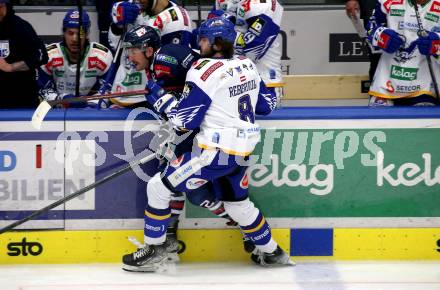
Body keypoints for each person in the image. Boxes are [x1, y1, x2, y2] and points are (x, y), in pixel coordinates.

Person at [122, 18, 293, 272]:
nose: (197, 43)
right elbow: (267, 105)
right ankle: (273, 253)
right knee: (238, 205)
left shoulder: (203, 70)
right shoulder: (246, 64)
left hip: (213, 153)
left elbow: (184, 122)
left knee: (158, 187)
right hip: (242, 152)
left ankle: (154, 249)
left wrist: (162, 99)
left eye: (202, 39)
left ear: (215, 42)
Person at [121, 24, 248, 260]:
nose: (130, 56)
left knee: (193, 191)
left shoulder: (166, 58)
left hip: (201, 134)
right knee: (179, 186)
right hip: (188, 132)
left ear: (148, 50)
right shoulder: (157, 64)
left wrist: (168, 102)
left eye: (133, 50)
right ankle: (169, 234)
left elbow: (200, 80)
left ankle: (242, 227)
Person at [107, 0, 193, 107]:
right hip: (120, 93)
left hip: (149, 98)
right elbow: (115, 45)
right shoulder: (130, 6)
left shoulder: (175, 18)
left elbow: (174, 67)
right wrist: (117, 26)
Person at [367, 0, 440, 106]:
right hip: (386, 85)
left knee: (424, 121)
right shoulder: (387, 1)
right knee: (377, 120)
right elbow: (370, 29)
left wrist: (437, 43)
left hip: (426, 87)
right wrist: (381, 36)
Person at [212, 0, 284, 105]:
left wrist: (223, 37)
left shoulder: (263, 4)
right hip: (230, 81)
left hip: (264, 83)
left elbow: (254, 49)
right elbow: (210, 28)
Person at [38, 9, 113, 107]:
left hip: (90, 112)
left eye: (80, 34)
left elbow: (108, 90)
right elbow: (42, 89)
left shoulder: (102, 56)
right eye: (70, 33)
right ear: (64, 33)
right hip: (58, 112)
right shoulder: (49, 55)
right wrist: (61, 99)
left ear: (87, 34)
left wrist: (88, 104)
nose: (75, 39)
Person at [0, 0, 48, 108]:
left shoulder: (20, 27)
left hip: (21, 101)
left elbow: (41, 56)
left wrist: (10, 67)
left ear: (2, 6)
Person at [345, 0, 381, 82]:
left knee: (406, 56)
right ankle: (376, 93)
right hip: (372, 9)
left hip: (405, 10)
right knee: (377, 60)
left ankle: (409, 92)